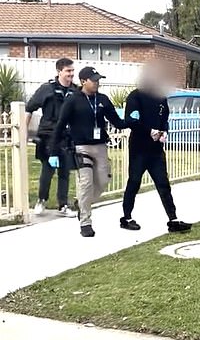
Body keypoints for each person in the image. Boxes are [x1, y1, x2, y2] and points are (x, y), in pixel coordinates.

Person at [49, 66, 127, 237]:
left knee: (102, 182)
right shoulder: (73, 100)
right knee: (86, 184)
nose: (97, 83)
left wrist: (134, 121)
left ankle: (81, 203)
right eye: (94, 80)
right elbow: (60, 126)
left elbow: (118, 122)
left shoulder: (103, 99)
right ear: (84, 81)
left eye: (99, 79)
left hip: (100, 146)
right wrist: (54, 152)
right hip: (81, 147)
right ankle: (85, 222)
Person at [120, 63, 191, 233]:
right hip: (139, 148)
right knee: (134, 182)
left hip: (156, 150)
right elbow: (131, 121)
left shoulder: (160, 99)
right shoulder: (135, 97)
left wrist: (164, 131)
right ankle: (126, 217)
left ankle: (173, 219)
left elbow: (164, 118)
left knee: (163, 183)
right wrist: (149, 131)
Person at [25, 57, 78, 217]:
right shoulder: (47, 89)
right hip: (48, 136)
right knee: (47, 171)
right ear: (59, 71)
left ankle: (63, 204)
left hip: (67, 137)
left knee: (65, 172)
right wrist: (24, 133)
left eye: (72, 71)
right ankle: (41, 200)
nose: (71, 74)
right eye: (68, 71)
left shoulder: (75, 91)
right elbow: (29, 108)